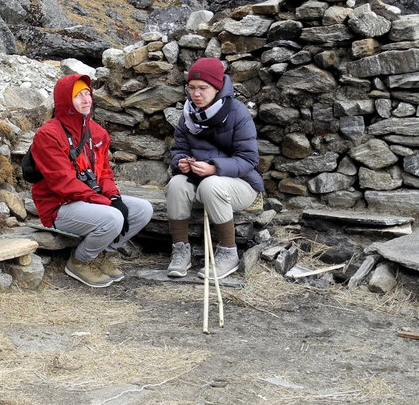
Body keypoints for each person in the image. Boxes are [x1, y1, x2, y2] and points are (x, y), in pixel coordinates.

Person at [30, 73, 154, 287]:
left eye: (88, 93)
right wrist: (108, 205)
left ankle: (101, 254)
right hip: (58, 206)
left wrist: (115, 198)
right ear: (66, 100)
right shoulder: (48, 135)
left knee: (143, 209)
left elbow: (104, 173)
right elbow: (64, 184)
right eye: (79, 95)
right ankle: (80, 261)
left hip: (89, 199)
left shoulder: (97, 133)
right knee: (113, 218)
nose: (86, 99)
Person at [165, 57, 264, 280]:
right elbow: (178, 149)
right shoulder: (188, 114)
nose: (196, 94)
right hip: (201, 183)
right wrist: (180, 161)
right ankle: (180, 250)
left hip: (241, 186)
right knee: (176, 184)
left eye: (203, 88)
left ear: (217, 87)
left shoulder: (237, 113)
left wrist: (214, 168)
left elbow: (249, 160)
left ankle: (228, 253)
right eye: (191, 88)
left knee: (211, 184)